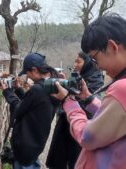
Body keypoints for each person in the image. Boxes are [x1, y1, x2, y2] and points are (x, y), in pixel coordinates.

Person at [52, 13, 126, 169]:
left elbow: (88, 137)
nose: (97, 66)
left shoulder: (121, 88)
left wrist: (69, 103)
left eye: (94, 58)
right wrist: (88, 99)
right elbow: (117, 120)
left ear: (112, 47)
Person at [0, 53, 60, 169]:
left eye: (27, 73)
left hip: (25, 149)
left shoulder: (38, 89)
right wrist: (19, 90)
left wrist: (7, 92)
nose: (28, 76)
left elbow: (18, 110)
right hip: (35, 145)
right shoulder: (50, 86)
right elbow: (29, 105)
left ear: (34, 70)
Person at [46, 52, 104, 169]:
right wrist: (66, 84)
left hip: (80, 131)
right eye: (75, 61)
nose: (75, 64)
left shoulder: (95, 81)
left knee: (75, 162)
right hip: (67, 127)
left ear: (88, 63)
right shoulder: (78, 78)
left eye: (78, 61)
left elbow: (94, 110)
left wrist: (68, 99)